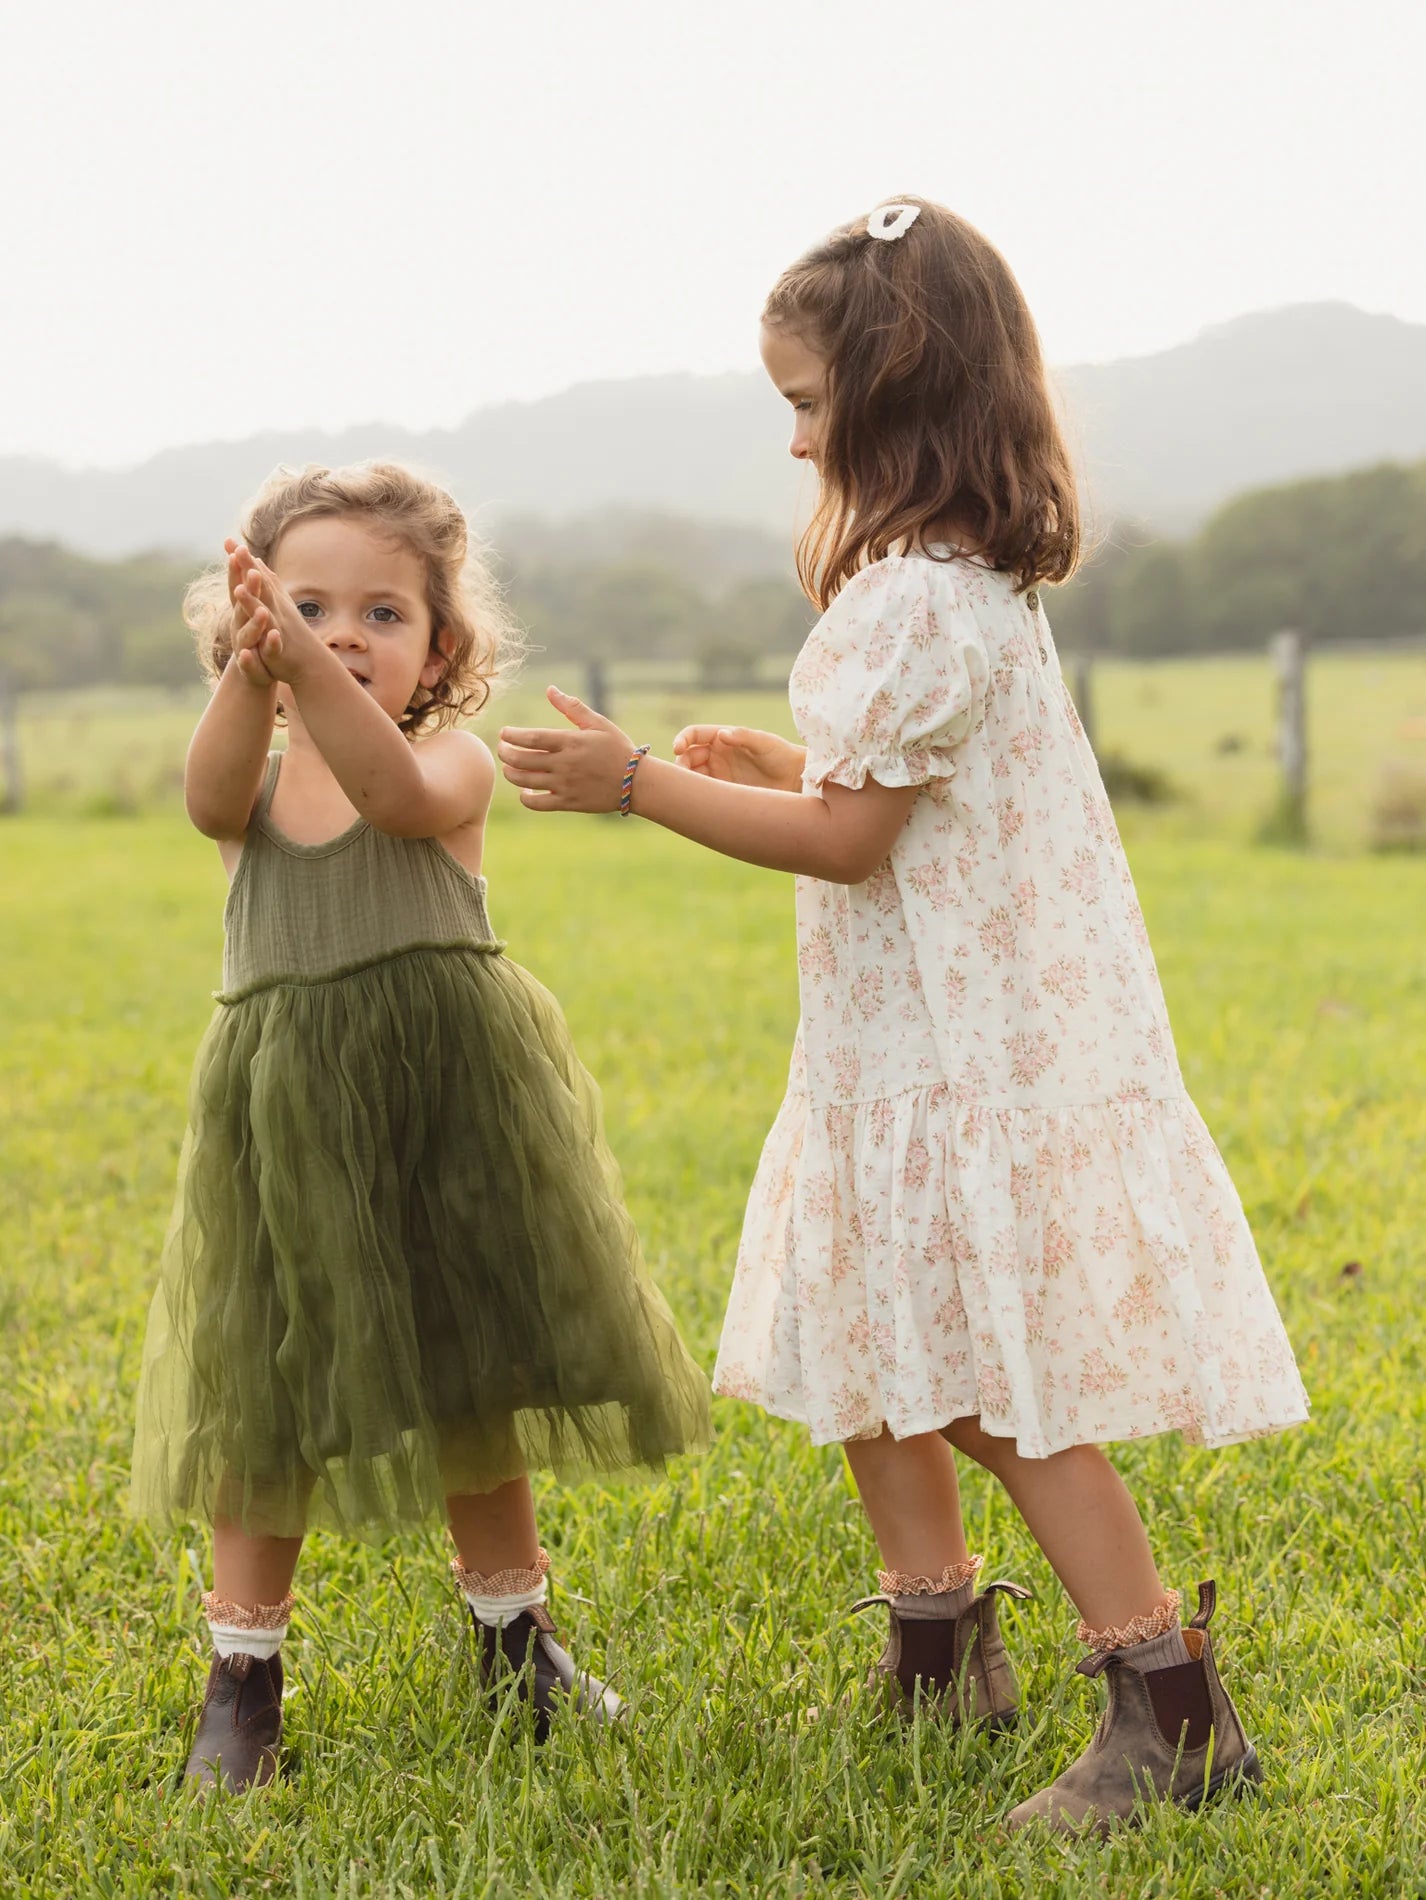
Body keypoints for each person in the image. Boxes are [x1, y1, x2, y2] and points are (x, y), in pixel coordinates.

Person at [496, 200, 1309, 1833]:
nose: (793, 443)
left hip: (959, 1058)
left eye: (808, 404)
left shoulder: (907, 607)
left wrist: (637, 784)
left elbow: (854, 847)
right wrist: (788, 761)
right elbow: (907, 807)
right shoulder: (956, 588)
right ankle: (938, 1640)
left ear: (896, 395)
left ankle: (1167, 1704)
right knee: (885, 1347)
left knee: (1000, 1394)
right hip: (920, 1050)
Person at [131, 462, 709, 1792]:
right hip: (288, 1116)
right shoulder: (257, 778)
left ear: (441, 648)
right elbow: (208, 802)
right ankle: (241, 1683)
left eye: (382, 615)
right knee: (266, 1401)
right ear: (251, 631)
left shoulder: (442, 763)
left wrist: (302, 661)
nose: (342, 634)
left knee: (471, 1376)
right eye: (307, 606)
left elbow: (388, 794)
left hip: (447, 1105)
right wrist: (250, 671)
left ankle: (517, 1642)